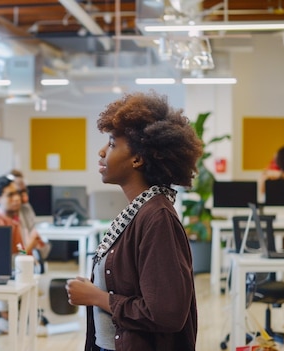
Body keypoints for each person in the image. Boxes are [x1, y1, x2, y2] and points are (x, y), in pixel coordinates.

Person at [65, 91, 201, 351]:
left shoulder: (157, 218)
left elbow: (166, 313)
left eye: (113, 144)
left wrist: (98, 297)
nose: (102, 151)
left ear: (138, 159)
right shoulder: (140, 210)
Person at [0, 174, 47, 334]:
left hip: (18, 268)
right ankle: (5, 319)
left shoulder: (15, 219)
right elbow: (4, 258)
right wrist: (31, 244)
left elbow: (19, 250)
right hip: (2, 274)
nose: (17, 198)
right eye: (10, 195)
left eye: (17, 194)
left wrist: (30, 246)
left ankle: (24, 320)